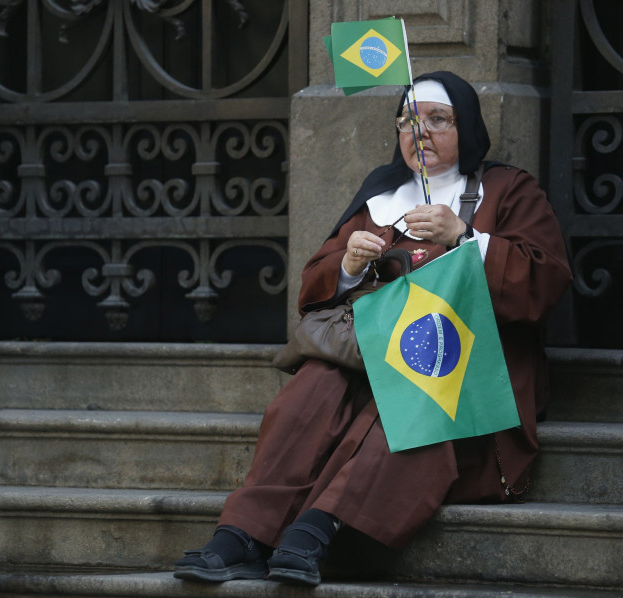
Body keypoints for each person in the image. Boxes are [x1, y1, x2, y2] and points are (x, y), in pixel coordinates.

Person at [173, 71, 572, 586]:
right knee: (311, 390)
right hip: (368, 355)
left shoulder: (508, 190)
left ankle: (315, 532)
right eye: (408, 120)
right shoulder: (381, 196)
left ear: (467, 127)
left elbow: (545, 280)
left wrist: (464, 236)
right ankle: (243, 535)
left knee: (413, 395)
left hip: (460, 371)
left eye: (437, 119)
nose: (419, 132)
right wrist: (351, 264)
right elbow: (314, 283)